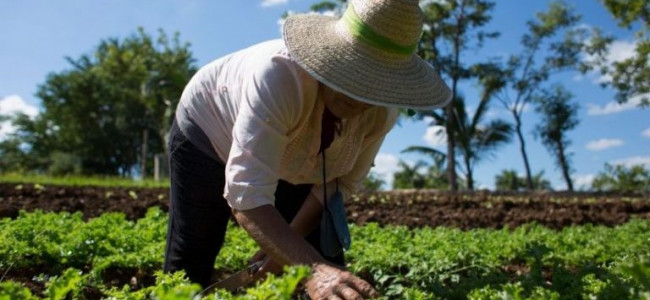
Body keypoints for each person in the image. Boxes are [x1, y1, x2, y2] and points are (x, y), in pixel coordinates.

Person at [163, 0, 451, 298]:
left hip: (292, 157)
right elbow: (246, 194)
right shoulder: (280, 76)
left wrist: (285, 255)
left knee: (324, 263)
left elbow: (337, 183)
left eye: (373, 84)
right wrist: (313, 270)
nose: (358, 95)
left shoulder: (381, 114)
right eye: (351, 70)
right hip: (208, 131)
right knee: (193, 253)